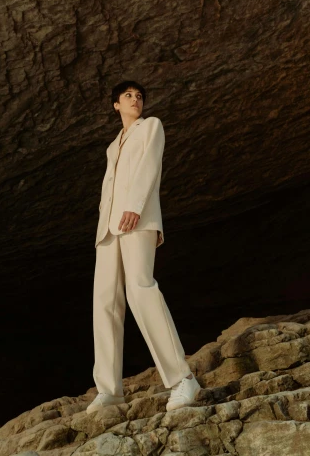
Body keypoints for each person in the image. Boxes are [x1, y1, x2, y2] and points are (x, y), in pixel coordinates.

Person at [87, 80, 201, 414]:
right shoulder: (112, 146)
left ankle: (183, 379)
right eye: (128, 96)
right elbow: (108, 189)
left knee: (141, 289)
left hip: (137, 220)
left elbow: (150, 166)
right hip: (108, 231)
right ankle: (109, 390)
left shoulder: (151, 127)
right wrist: (101, 227)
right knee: (104, 304)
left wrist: (135, 206)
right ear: (116, 105)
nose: (135, 100)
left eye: (139, 96)